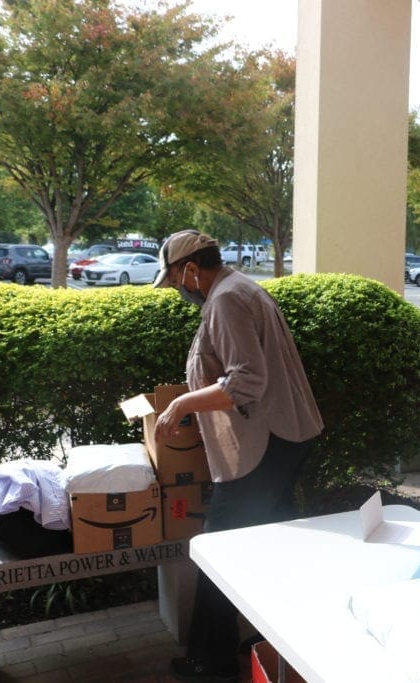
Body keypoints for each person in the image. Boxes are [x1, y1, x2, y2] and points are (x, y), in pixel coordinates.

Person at [152, 230, 324, 681]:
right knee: (272, 544)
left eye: (173, 280)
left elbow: (246, 381)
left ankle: (210, 663)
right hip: (283, 438)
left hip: (263, 444)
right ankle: (281, 643)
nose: (176, 291)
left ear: (191, 269)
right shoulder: (239, 287)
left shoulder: (226, 299)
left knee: (217, 551)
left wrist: (182, 403)